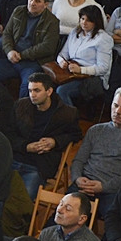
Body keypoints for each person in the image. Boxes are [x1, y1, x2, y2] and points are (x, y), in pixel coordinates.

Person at [69, 88, 121, 213]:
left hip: (114, 190)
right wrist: (77, 178)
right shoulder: (95, 130)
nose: (117, 111)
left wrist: (104, 187)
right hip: (84, 183)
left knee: (114, 222)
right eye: (115, 105)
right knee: (63, 214)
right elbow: (79, 160)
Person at [12, 71, 82, 199]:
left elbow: (75, 134)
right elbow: (9, 134)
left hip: (38, 167)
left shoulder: (67, 113)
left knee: (24, 200)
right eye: (30, 90)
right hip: (14, 160)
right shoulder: (21, 105)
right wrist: (26, 146)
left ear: (49, 91)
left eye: (37, 90)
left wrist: (55, 141)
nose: (32, 95)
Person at [54, 5, 114, 106]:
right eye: (82, 18)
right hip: (71, 72)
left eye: (88, 20)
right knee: (47, 83)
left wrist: (81, 70)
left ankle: (69, 119)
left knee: (62, 91)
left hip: (91, 78)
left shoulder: (103, 39)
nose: (84, 23)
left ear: (96, 22)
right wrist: (62, 62)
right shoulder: (74, 32)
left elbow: (103, 68)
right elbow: (62, 54)